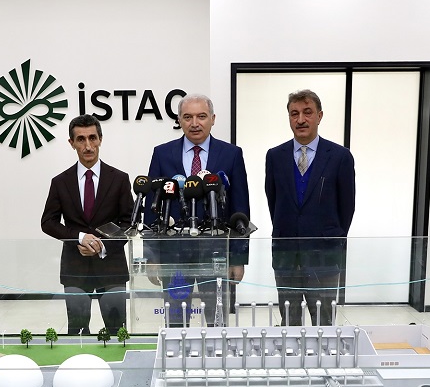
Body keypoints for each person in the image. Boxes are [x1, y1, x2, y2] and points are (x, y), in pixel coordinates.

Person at [144, 94, 250, 325]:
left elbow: (240, 208)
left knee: (217, 321)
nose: (195, 123)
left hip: (216, 255)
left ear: (212, 119)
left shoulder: (231, 154)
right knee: (175, 321)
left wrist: (238, 258)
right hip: (173, 256)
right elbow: (151, 207)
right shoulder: (162, 154)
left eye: (201, 116)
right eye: (187, 117)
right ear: (179, 120)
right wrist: (152, 257)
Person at [265, 89, 355, 327]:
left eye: (307, 112)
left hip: (324, 256)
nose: (301, 119)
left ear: (319, 116)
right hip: (286, 256)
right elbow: (273, 201)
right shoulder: (275, 156)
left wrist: (331, 238)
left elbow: (347, 208)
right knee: (289, 321)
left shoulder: (340, 157)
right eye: (294, 114)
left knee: (324, 322)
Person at [41, 114, 134, 335]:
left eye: (92, 138)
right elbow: (48, 222)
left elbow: (129, 223)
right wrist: (80, 238)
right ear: (71, 143)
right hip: (75, 267)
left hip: (111, 266)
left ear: (100, 139)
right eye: (81, 139)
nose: (88, 145)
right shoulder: (60, 182)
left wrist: (103, 246)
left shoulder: (119, 179)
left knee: (116, 332)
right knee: (77, 332)